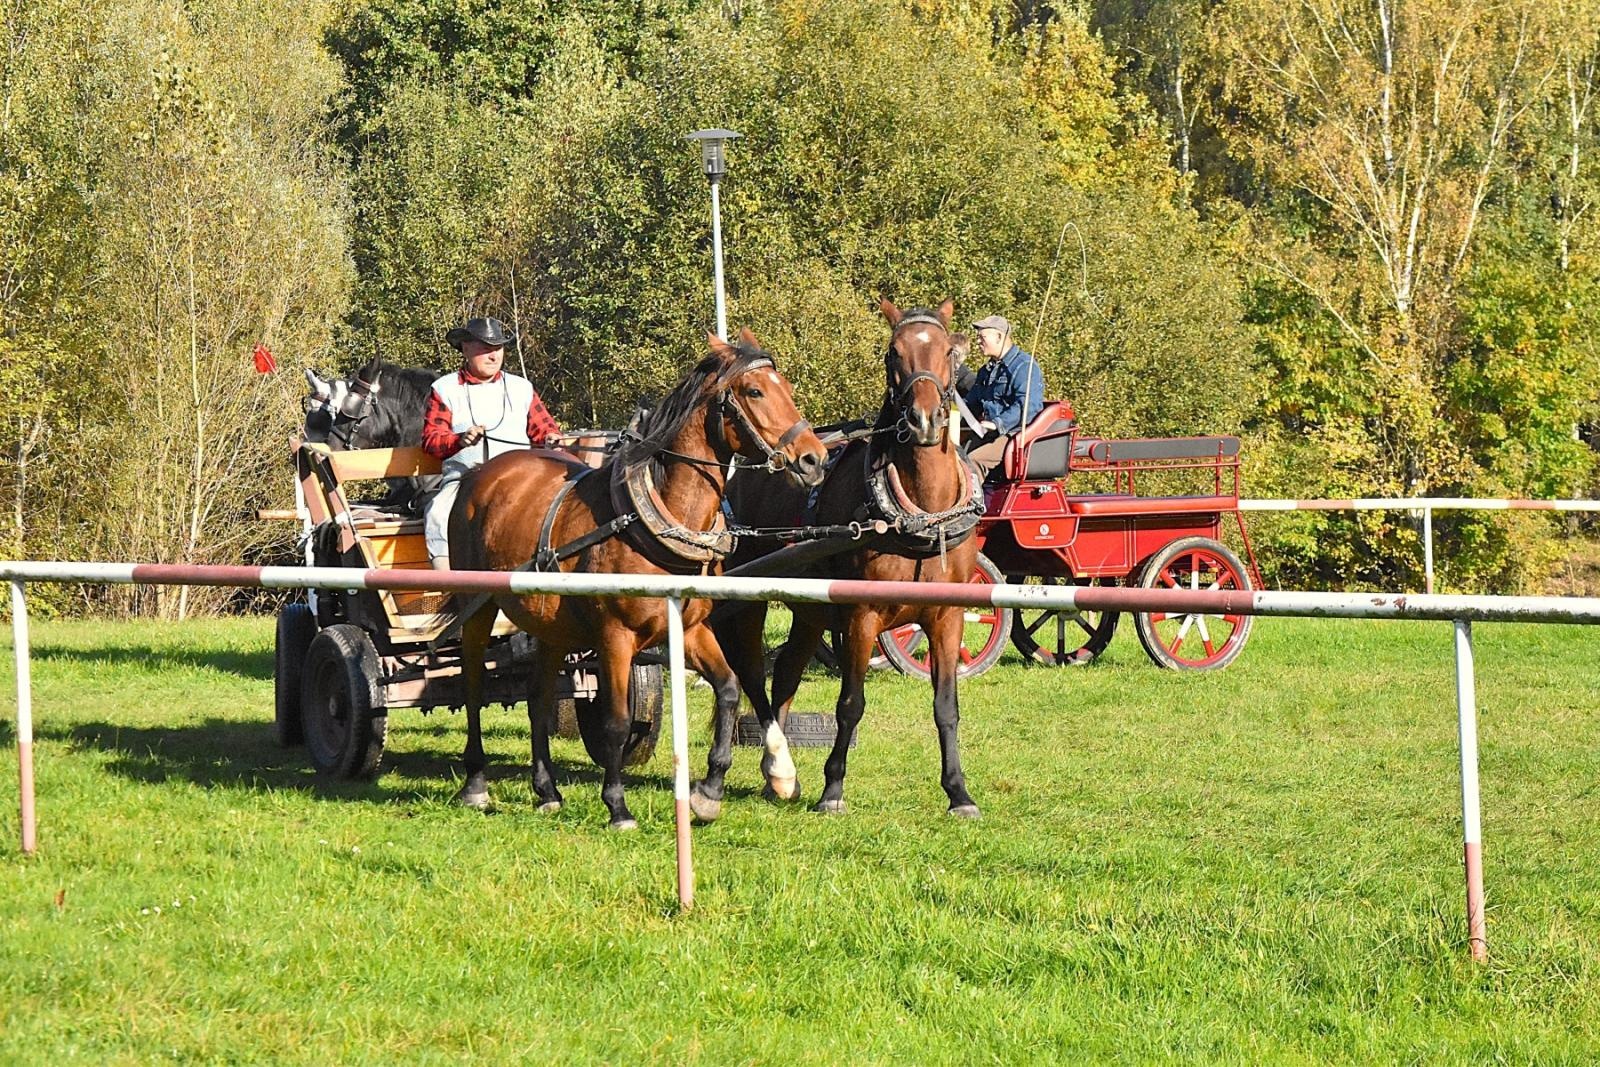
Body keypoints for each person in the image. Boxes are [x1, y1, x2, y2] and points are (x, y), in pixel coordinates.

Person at [421, 316, 561, 569]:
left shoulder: (521, 388)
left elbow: (544, 429)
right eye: (486, 348)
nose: (494, 356)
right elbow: (432, 440)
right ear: (465, 348)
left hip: (523, 481)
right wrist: (459, 441)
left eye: (498, 348)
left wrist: (551, 438)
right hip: (464, 483)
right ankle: (448, 584)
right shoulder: (444, 388)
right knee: (438, 514)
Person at [963, 314, 1044, 480]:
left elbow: (1028, 407)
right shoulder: (986, 371)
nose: (978, 342)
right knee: (954, 457)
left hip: (1013, 435)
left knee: (972, 463)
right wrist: (948, 414)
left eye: (982, 337)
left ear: (999, 337)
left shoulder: (1024, 366)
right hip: (988, 433)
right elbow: (971, 402)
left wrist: (997, 423)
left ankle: (972, 497)